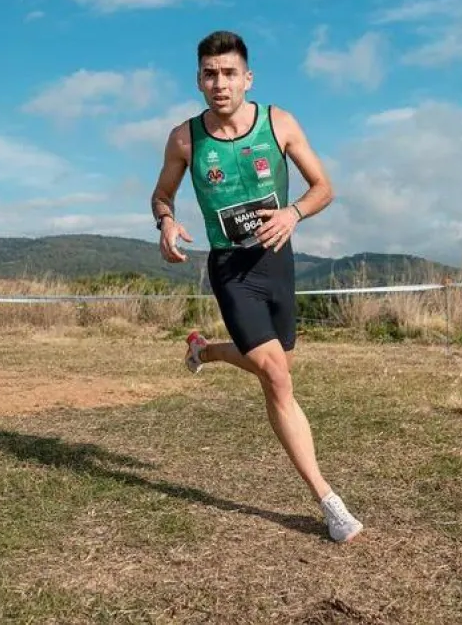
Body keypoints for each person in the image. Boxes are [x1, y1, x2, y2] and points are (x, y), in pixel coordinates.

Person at [149, 30, 363, 543]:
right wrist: (165, 222)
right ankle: (329, 502)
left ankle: (208, 350)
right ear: (198, 79)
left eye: (228, 73)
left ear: (247, 78)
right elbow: (162, 195)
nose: (219, 83)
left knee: (279, 364)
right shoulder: (184, 139)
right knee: (276, 377)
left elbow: (324, 188)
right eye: (209, 74)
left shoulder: (279, 123)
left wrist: (293, 213)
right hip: (230, 268)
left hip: (276, 261)